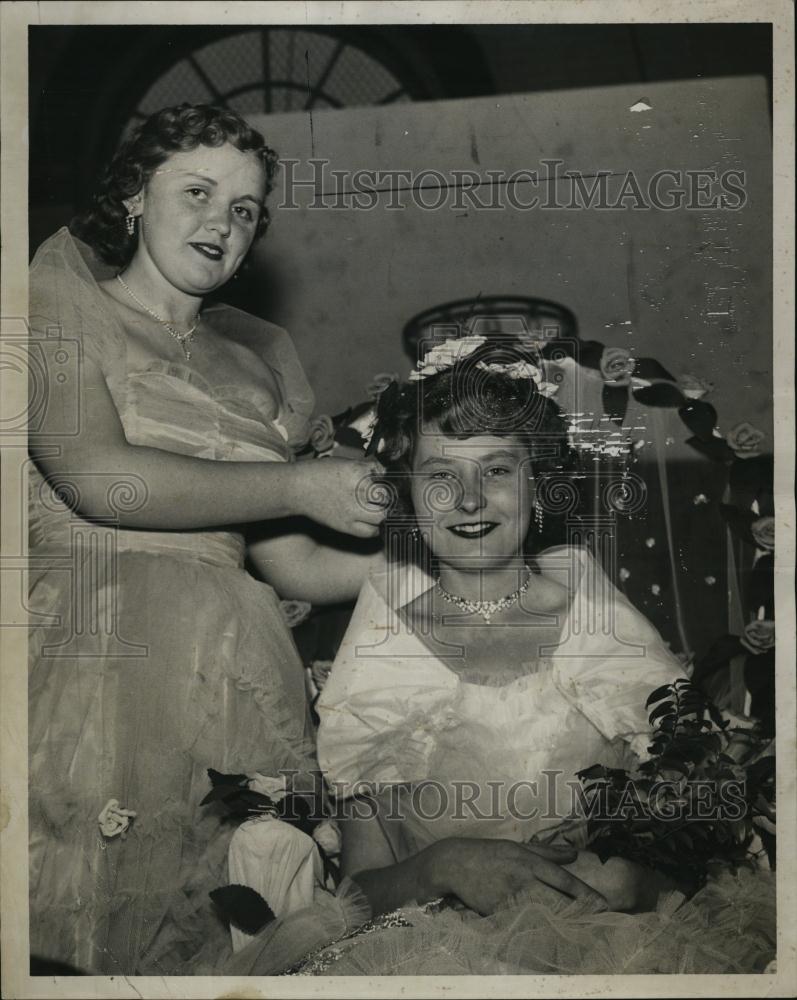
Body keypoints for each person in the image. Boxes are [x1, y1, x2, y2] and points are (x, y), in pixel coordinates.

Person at [222, 335, 775, 976]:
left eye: (498, 470)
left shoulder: (594, 620)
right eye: (440, 476)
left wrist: (634, 879)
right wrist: (442, 865)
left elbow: (701, 845)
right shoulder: (383, 642)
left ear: (538, 483)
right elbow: (356, 893)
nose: (470, 499)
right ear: (406, 497)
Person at [27, 104, 386, 975]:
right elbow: (101, 480)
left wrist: (433, 554)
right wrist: (302, 482)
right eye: (196, 192)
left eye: (245, 209)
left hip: (237, 663)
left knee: (225, 928)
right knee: (84, 924)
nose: (221, 222)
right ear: (131, 202)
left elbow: (288, 559)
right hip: (97, 652)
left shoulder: (258, 365)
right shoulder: (51, 314)